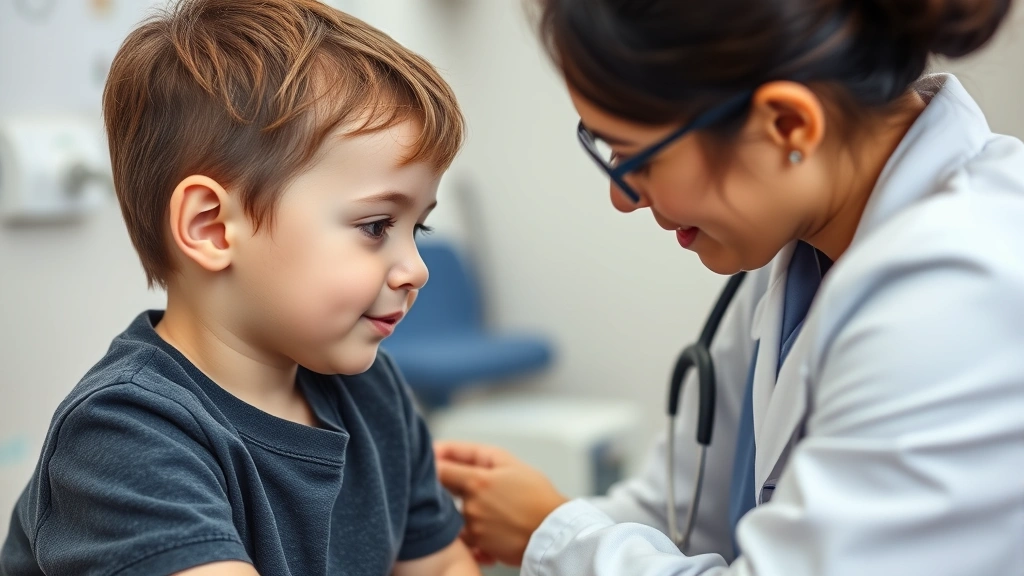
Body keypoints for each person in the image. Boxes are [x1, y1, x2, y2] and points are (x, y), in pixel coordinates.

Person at [435, 0, 1024, 574]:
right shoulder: (794, 259)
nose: (621, 196)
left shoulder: (963, 293)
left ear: (788, 124)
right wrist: (525, 518)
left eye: (637, 157)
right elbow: (685, 515)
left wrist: (552, 533)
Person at [0, 1, 480, 574]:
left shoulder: (374, 393)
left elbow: (445, 565)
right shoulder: (122, 435)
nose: (416, 269)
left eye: (416, 227)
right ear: (211, 227)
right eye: (376, 226)